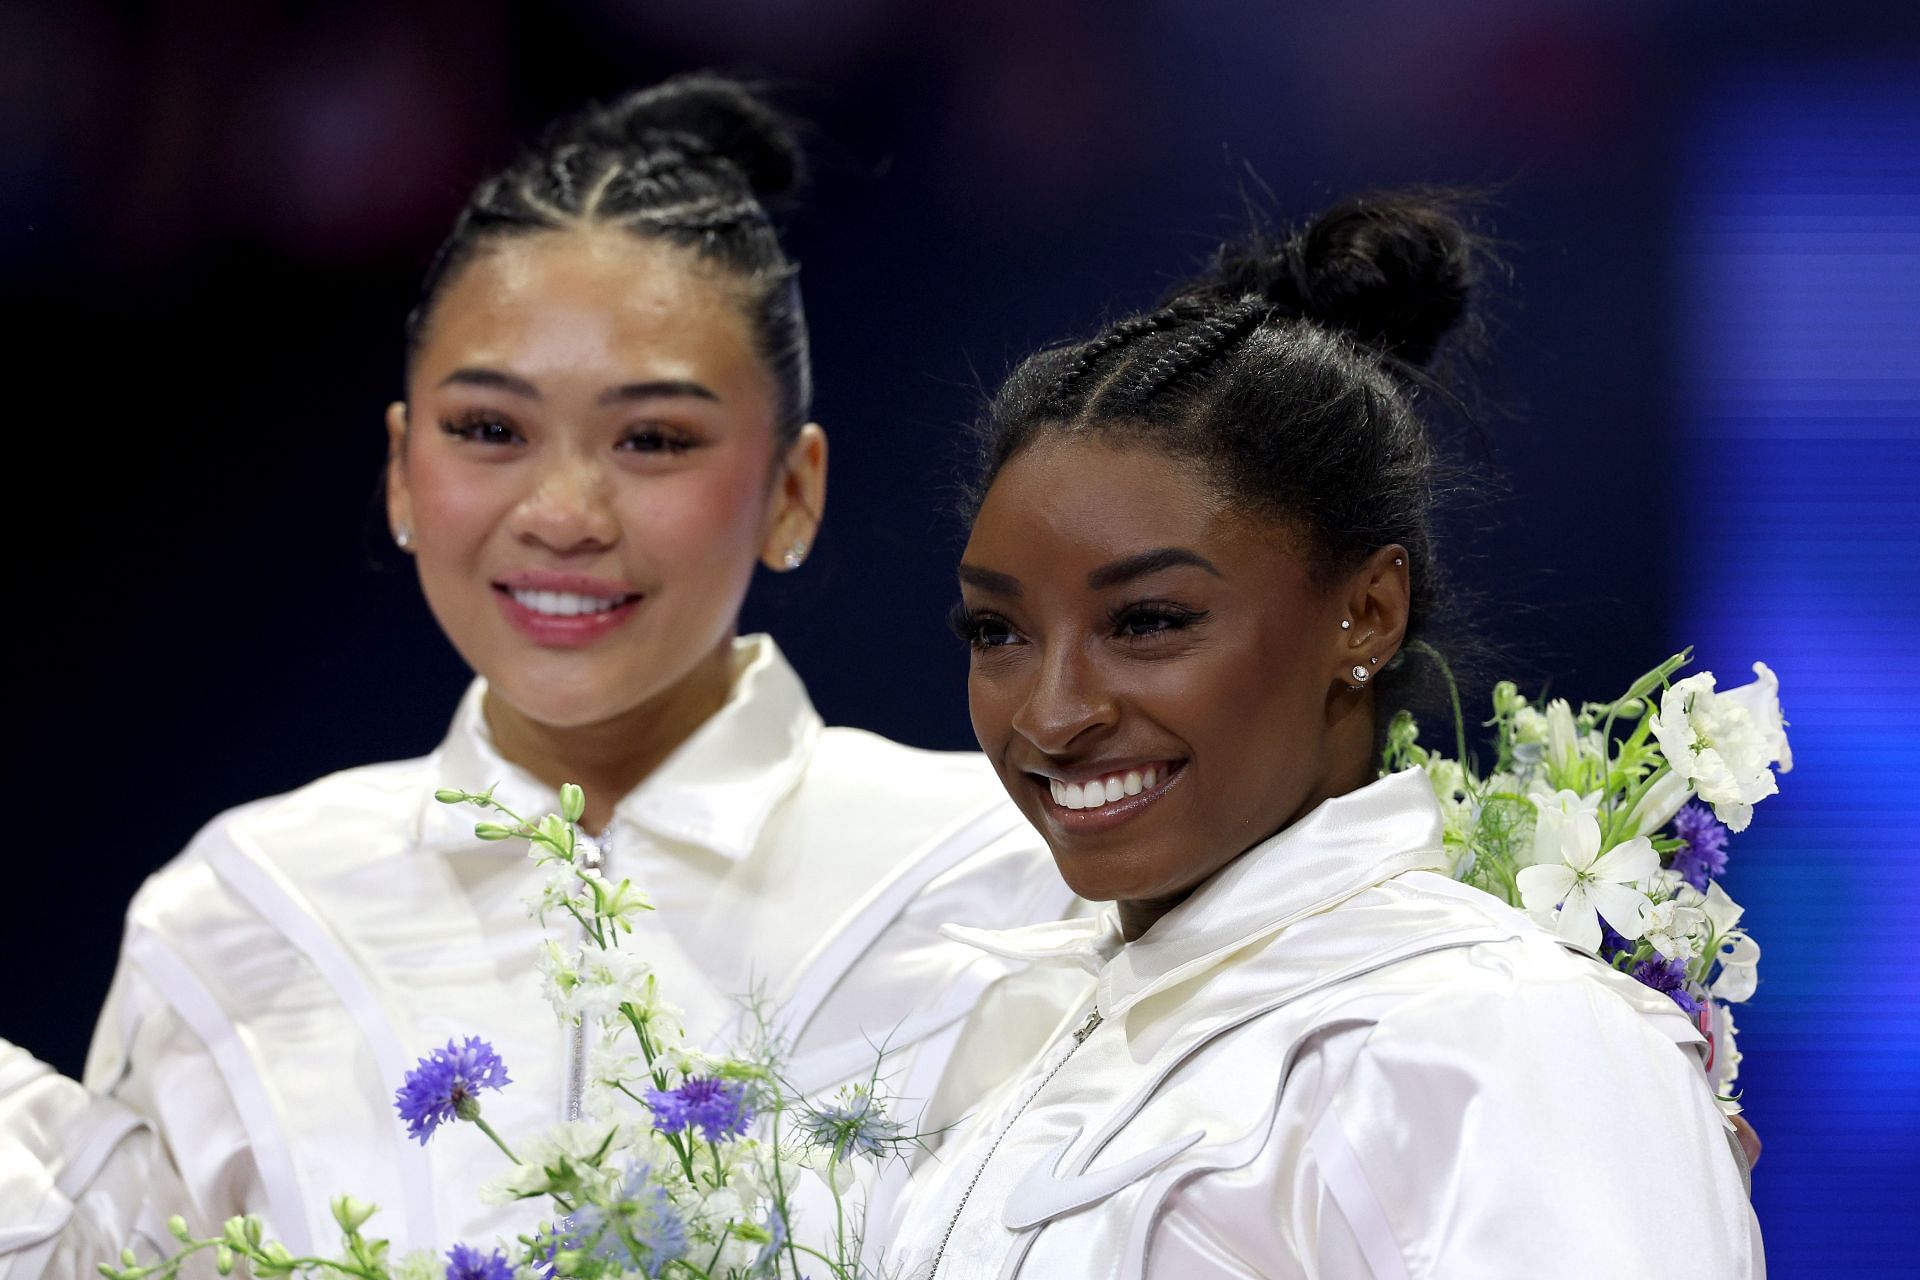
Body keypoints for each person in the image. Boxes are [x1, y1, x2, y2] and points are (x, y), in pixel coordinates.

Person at [0, 75, 1077, 1278]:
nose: (564, 513)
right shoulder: (239, 912)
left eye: (653, 438)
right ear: (405, 472)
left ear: (793, 488)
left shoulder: (1009, 880)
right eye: (491, 430)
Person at [886, 193, 1765, 1277]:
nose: (1051, 712)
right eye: (998, 629)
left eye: (1149, 620)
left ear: (1367, 613)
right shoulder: (1025, 1036)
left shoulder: (1494, 1036)